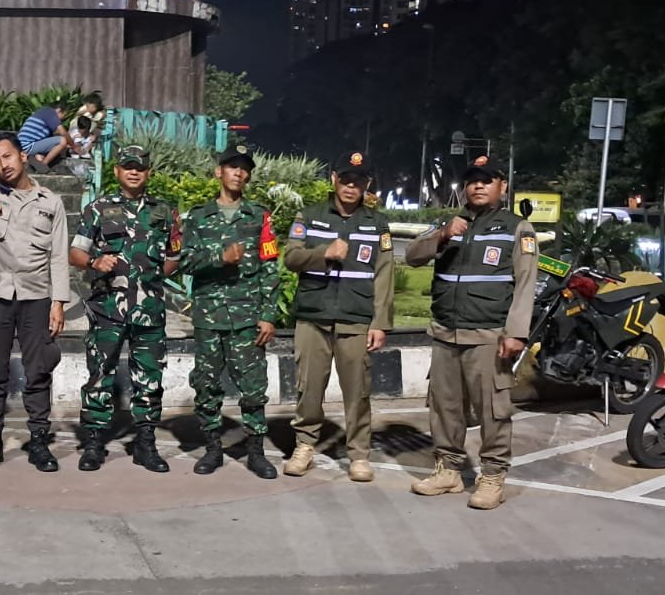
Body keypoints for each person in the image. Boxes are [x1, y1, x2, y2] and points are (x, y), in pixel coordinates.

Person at [403, 162, 538, 509]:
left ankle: (492, 476)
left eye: (486, 181)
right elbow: (412, 256)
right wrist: (442, 235)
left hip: (488, 335)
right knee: (444, 406)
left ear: (502, 186)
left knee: (493, 410)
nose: (478, 186)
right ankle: (448, 470)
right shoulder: (450, 223)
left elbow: (526, 284)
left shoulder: (517, 228)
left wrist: (516, 333)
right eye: (472, 181)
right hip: (446, 332)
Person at [280, 151, 395, 482]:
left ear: (366, 184)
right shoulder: (310, 216)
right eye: (345, 179)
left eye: (358, 181)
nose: (350, 186)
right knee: (308, 387)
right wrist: (323, 253)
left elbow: (384, 275)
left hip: (356, 317)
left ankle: (358, 454)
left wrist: (381, 322)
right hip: (313, 316)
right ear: (334, 179)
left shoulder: (377, 224)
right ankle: (305, 445)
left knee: (358, 391)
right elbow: (291, 257)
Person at [69, 145, 179, 472]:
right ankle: (94, 443)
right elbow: (75, 253)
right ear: (117, 171)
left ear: (148, 172)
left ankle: (145, 443)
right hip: (108, 310)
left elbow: (175, 256)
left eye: (139, 167)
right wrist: (95, 262)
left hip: (149, 311)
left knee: (150, 378)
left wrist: (151, 279)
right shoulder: (97, 209)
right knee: (100, 375)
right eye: (128, 166)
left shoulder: (164, 212)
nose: (134, 172)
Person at [0, 132, 72, 472]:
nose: (3, 165)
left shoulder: (50, 202)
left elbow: (59, 256)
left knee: (39, 371)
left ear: (23, 156)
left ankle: (39, 442)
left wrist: (59, 303)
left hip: (36, 297)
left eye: (8, 156)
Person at [179, 143, 281, 479]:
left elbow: (270, 268)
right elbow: (184, 262)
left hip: (246, 317)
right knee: (206, 386)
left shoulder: (259, 216)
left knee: (253, 387)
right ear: (219, 172)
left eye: (244, 168)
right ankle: (213, 449)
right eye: (232, 167)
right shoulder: (197, 217)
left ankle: (256, 452)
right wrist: (219, 258)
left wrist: (268, 315)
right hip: (209, 317)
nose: (239, 173)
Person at [18, 96, 101, 171]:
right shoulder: (50, 112)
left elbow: (50, 143)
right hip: (27, 145)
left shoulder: (44, 114)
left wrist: (70, 146)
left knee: (54, 150)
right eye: (64, 114)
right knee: (62, 140)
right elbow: (63, 133)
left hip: (27, 145)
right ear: (59, 110)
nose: (63, 118)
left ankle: (39, 163)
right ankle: (43, 166)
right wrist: (74, 147)